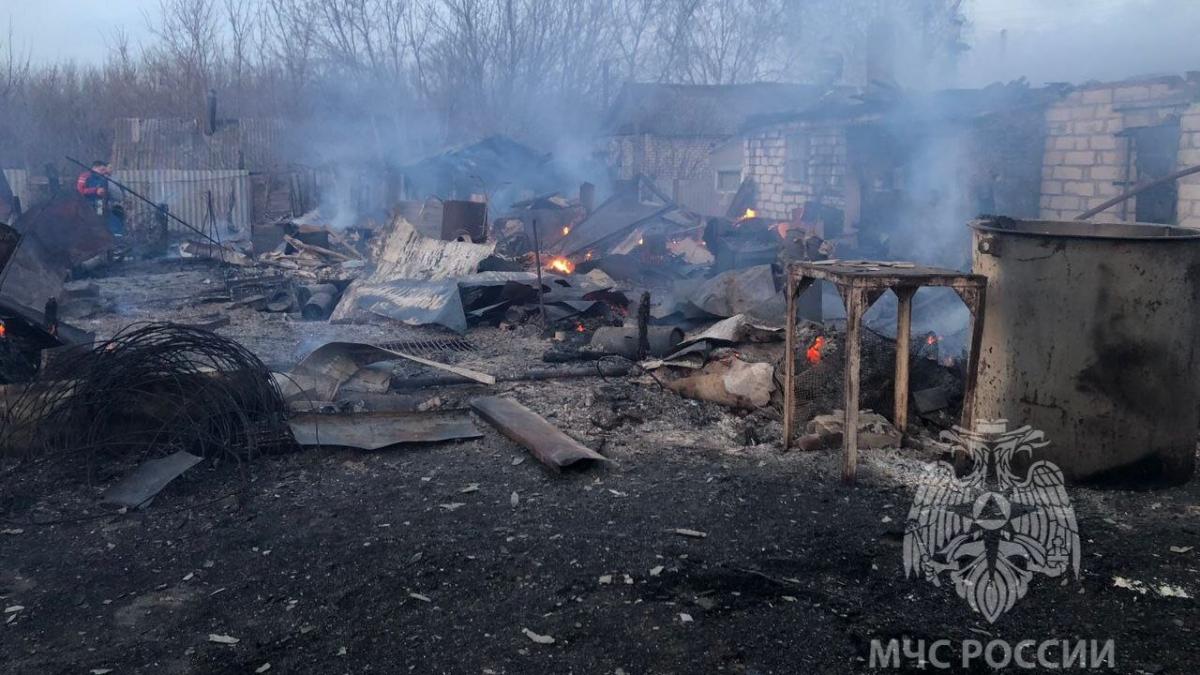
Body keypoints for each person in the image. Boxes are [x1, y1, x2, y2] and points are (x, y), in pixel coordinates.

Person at [75, 160, 125, 237]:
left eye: (105, 170)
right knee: (89, 222)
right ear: (94, 168)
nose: (104, 172)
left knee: (101, 219)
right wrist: (95, 191)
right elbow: (80, 190)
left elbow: (106, 193)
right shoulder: (85, 176)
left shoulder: (104, 178)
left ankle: (117, 238)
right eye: (101, 170)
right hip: (85, 203)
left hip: (99, 203)